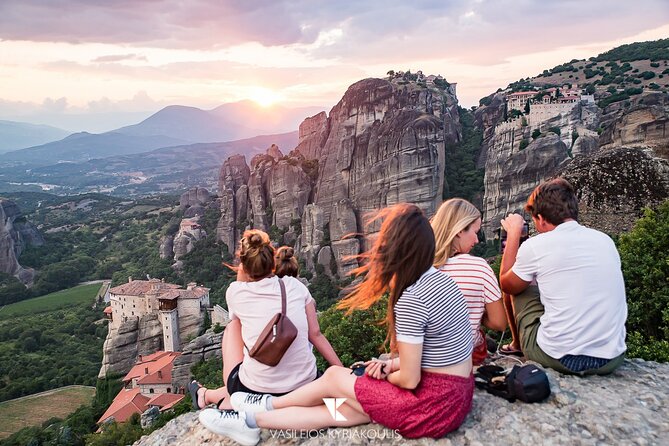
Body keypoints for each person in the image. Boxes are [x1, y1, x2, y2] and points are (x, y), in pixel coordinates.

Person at [198, 204, 474, 445]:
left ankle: (262, 406)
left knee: (333, 378)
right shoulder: (440, 281)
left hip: (430, 407)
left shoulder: (412, 298)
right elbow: (438, 351)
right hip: (454, 400)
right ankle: (252, 421)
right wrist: (391, 364)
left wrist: (381, 377)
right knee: (344, 410)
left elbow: (411, 380)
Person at [190, 230, 342, 411]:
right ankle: (207, 395)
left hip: (255, 389)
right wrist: (342, 372)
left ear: (244, 267)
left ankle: (216, 397)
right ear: (272, 262)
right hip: (306, 384)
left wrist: (243, 271)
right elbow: (315, 334)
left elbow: (240, 289)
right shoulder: (296, 286)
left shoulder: (235, 292)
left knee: (233, 325)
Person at [498, 178, 627, 375]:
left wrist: (514, 234)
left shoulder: (536, 246)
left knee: (519, 286)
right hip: (611, 358)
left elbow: (507, 285)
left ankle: (517, 344)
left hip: (560, 358)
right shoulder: (605, 241)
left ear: (540, 218)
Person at [430, 198, 507, 365]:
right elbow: (499, 323)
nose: (477, 240)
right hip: (465, 357)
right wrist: (475, 313)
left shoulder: (420, 265)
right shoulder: (479, 267)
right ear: (459, 231)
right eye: (475, 232)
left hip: (424, 355)